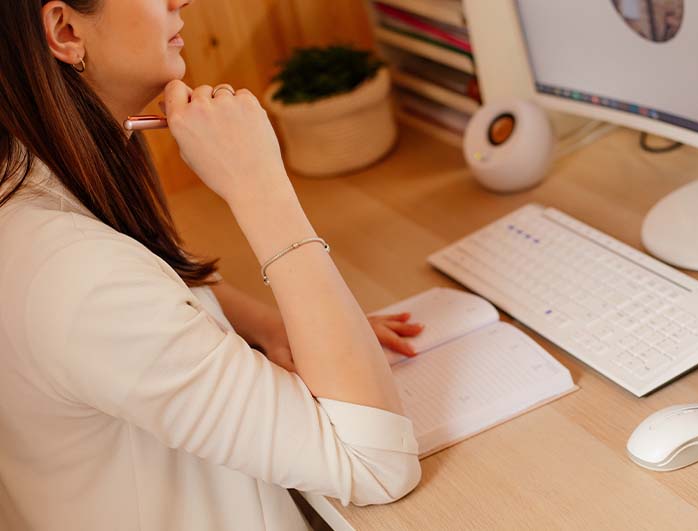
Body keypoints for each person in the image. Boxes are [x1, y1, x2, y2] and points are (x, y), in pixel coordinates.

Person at [0, 1, 424, 529]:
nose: (182, 0)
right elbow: (378, 466)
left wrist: (268, 327)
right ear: (65, 30)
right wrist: (258, 184)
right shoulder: (80, 277)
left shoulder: (33, 187)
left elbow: (154, 279)